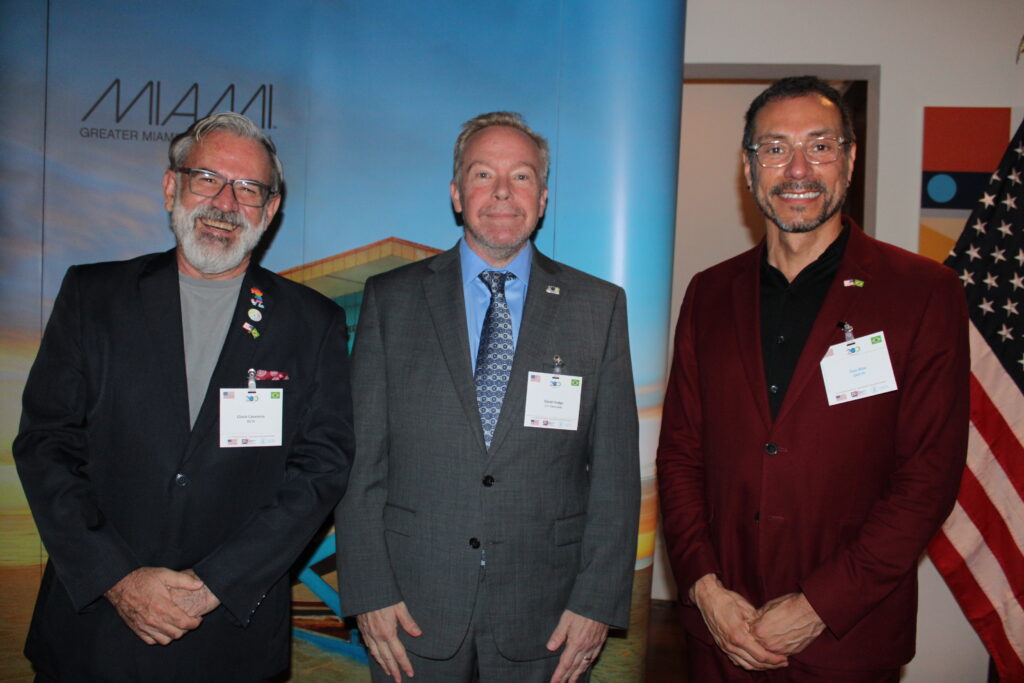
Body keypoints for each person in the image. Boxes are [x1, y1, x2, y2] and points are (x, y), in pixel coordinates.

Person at [13, 112, 354, 682]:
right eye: (207, 179)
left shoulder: (311, 323)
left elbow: (322, 468)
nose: (225, 202)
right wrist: (118, 578)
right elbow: (46, 444)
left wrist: (216, 583)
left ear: (270, 212)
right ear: (172, 186)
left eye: (249, 189)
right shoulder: (92, 296)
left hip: (230, 639)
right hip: (94, 634)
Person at [657, 76, 969, 681]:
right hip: (721, 637)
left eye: (820, 146)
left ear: (849, 161)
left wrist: (818, 605)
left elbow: (927, 479)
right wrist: (703, 588)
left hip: (846, 641)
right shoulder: (708, 293)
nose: (797, 168)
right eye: (774, 148)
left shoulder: (923, 294)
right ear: (749, 170)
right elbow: (680, 456)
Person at [335, 111, 640, 683]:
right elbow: (360, 464)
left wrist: (597, 603)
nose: (503, 191)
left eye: (521, 176)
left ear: (543, 198)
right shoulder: (391, 301)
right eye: (483, 175)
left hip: (547, 611)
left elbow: (616, 476)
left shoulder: (597, 308)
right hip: (411, 609)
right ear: (456, 194)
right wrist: (369, 590)